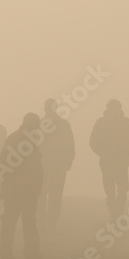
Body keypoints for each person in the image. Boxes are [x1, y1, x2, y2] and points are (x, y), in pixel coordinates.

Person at [0, 113, 43, 259]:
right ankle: (30, 251)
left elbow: (1, 164)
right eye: (36, 125)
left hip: (16, 188)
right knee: (27, 220)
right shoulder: (27, 140)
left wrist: (5, 184)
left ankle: (7, 252)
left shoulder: (14, 138)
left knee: (11, 220)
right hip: (24, 189)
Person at [90, 100, 129, 221]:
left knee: (121, 189)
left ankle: (117, 214)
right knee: (110, 189)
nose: (114, 110)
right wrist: (103, 153)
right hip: (109, 161)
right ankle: (114, 214)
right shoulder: (102, 122)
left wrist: (125, 153)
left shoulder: (125, 122)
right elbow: (93, 141)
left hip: (117, 160)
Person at [38, 99, 75, 232]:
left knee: (42, 194)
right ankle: (50, 223)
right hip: (56, 166)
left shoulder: (40, 124)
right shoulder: (63, 124)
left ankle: (44, 223)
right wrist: (67, 162)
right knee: (54, 194)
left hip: (45, 166)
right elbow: (71, 145)